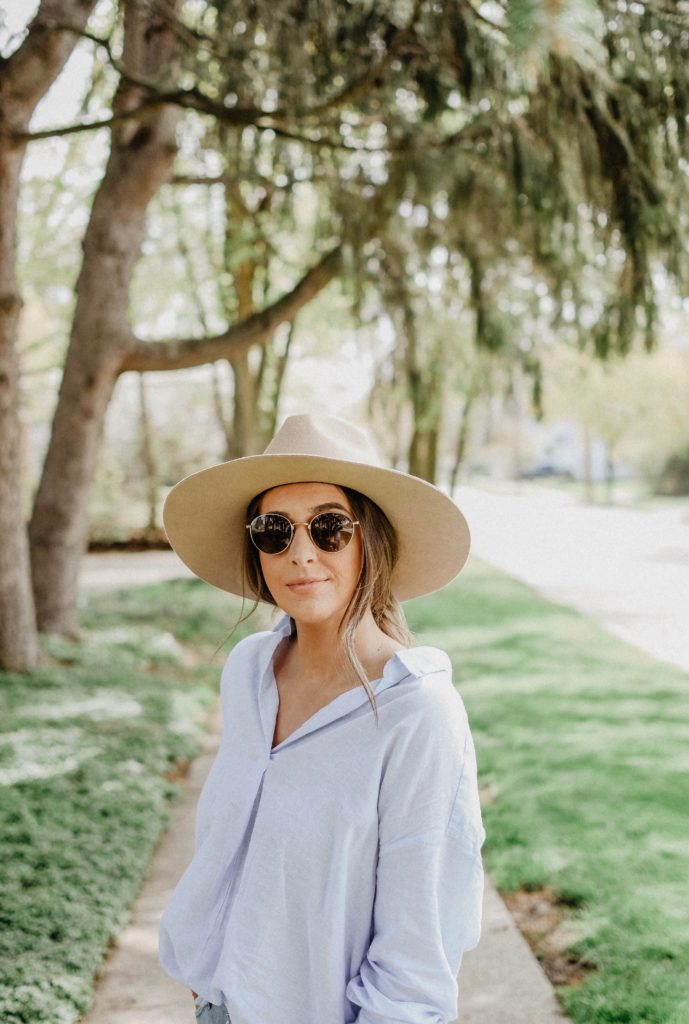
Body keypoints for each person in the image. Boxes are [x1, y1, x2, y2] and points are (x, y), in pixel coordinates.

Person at [158, 412, 486, 1024]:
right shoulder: (249, 670)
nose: (300, 553)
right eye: (273, 531)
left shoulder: (418, 714)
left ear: (372, 542)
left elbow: (419, 946)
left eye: (330, 528)